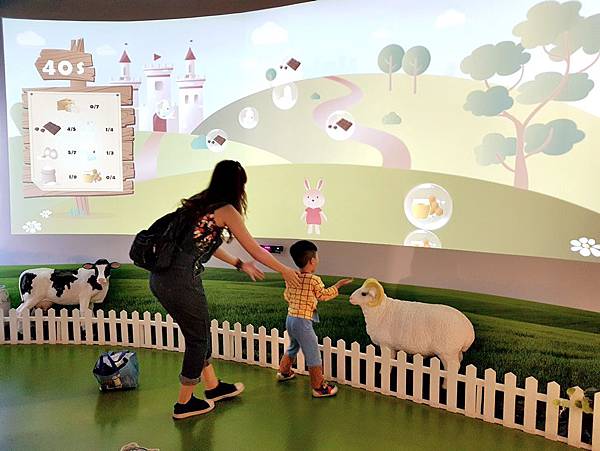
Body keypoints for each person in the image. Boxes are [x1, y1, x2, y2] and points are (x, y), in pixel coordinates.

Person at [149, 160, 301, 419]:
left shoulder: (200, 204)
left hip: (162, 279)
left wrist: (239, 264)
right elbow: (253, 247)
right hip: (181, 281)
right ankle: (184, 404)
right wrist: (285, 270)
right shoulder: (226, 210)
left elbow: (204, 245)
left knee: (199, 332)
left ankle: (213, 387)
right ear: (237, 185)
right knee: (198, 340)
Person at [276, 240, 353, 397]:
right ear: (312, 261)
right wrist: (337, 286)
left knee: (293, 345)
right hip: (303, 321)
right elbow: (323, 295)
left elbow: (287, 296)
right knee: (313, 353)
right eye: (316, 257)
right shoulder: (314, 280)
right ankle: (319, 387)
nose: (317, 260)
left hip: (290, 318)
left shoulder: (291, 277)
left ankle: (284, 372)